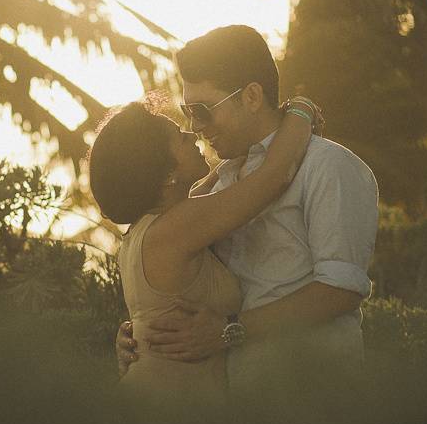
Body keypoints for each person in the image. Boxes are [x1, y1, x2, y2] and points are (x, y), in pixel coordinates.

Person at [115, 25, 379, 390]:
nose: (194, 126)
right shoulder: (217, 185)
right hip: (238, 415)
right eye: (187, 111)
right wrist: (139, 335)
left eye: (203, 110)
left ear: (252, 96)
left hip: (314, 401)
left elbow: (340, 291)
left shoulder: (328, 167)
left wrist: (229, 332)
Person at [88, 94, 319, 400]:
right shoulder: (177, 226)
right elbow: (274, 177)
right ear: (166, 172)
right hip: (166, 421)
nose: (191, 133)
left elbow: (215, 178)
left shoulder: (147, 230)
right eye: (177, 136)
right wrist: (303, 109)